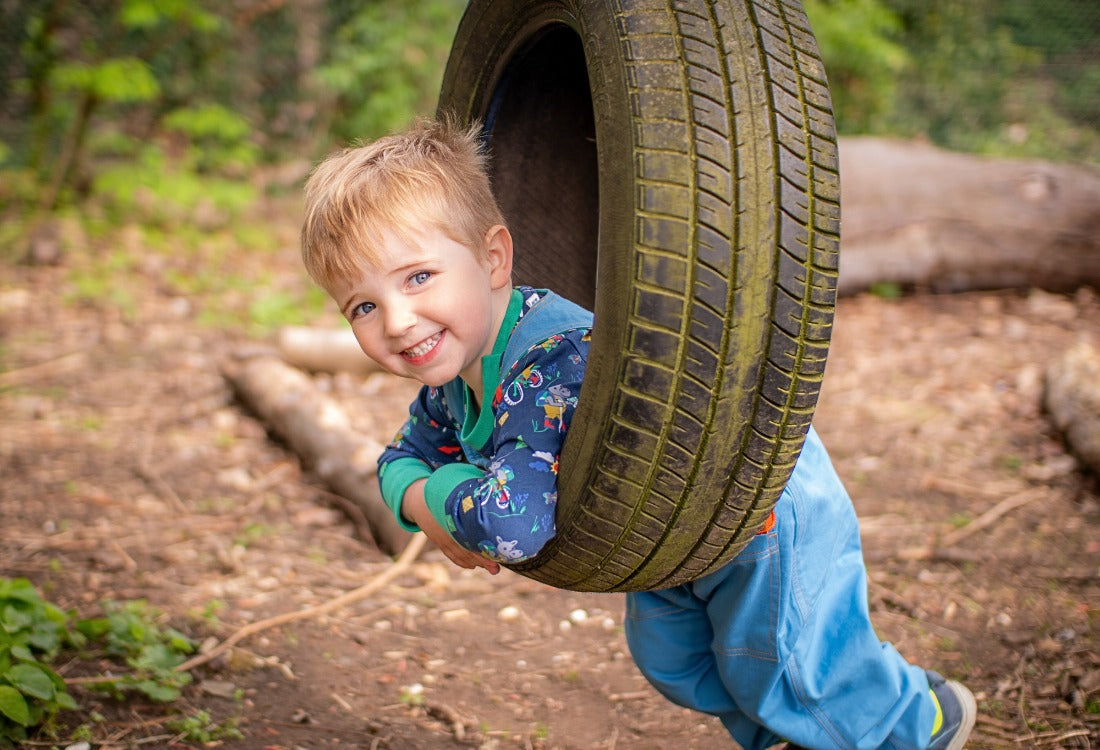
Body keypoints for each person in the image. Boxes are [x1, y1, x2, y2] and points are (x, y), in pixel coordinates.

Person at [299, 117, 977, 750]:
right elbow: (399, 457)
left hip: (753, 504)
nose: (396, 321)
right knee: (676, 661)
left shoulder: (549, 363)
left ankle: (920, 721)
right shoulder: (450, 383)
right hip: (664, 521)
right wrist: (425, 501)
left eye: (419, 277)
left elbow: (514, 525)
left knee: (794, 669)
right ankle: (800, 732)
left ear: (494, 259)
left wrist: (437, 488)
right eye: (364, 304)